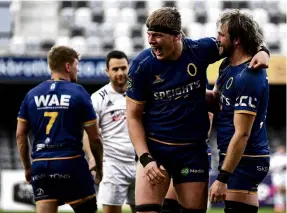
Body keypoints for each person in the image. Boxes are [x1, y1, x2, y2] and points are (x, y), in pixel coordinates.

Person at [126, 7, 270, 213]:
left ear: (176, 36)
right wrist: (145, 158)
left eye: (157, 35)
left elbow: (241, 41)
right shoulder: (142, 65)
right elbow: (132, 116)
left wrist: (263, 51)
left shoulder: (201, 50)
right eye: (149, 34)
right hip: (156, 149)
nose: (150, 41)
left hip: (192, 151)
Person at [16, 45, 103, 213]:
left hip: (41, 166)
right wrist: (99, 166)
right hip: (70, 162)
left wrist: (28, 168)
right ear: (68, 66)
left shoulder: (31, 95)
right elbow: (95, 138)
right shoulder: (78, 92)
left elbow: (20, 135)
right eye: (77, 65)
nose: (78, 70)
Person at [207, 9, 270, 213]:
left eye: (221, 34)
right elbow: (215, 100)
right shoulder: (226, 65)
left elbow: (242, 133)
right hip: (235, 156)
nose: (217, 39)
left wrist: (222, 179)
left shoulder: (249, 76)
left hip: (247, 158)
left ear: (237, 40)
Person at [83, 50, 136, 213]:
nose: (120, 73)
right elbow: (88, 133)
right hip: (113, 164)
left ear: (129, 68)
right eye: (115, 69)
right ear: (107, 71)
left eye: (123, 68)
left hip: (141, 162)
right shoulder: (98, 97)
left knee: (147, 209)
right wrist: (92, 158)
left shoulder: (141, 92)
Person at [270, 145, 286, 213]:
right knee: (278, 190)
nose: (282, 150)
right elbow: (271, 167)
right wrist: (280, 167)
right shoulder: (275, 157)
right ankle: (278, 205)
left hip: (285, 175)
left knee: (285, 191)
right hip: (277, 175)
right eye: (280, 149)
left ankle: (284, 205)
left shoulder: (286, 156)